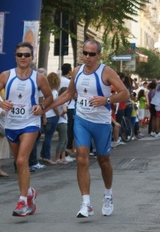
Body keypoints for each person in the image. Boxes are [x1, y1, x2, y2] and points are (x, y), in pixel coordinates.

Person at [45, 39, 129, 218]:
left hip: (101, 122)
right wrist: (46, 108)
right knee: (81, 159)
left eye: (92, 54)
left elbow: (125, 93)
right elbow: (68, 94)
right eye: (85, 53)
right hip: (82, 120)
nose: (87, 57)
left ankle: (108, 195)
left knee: (103, 161)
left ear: (98, 55)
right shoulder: (77, 71)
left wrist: (105, 100)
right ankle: (86, 203)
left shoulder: (106, 72)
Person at [0, 41, 53, 217]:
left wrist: (41, 107)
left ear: (32, 58)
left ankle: (23, 201)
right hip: (11, 123)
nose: (23, 58)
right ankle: (29, 192)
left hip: (30, 122)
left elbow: (49, 97)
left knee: (22, 161)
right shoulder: (5, 75)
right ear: (15, 57)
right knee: (19, 163)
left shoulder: (38, 78)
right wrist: (2, 103)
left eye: (26, 55)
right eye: (20, 55)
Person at [40, 72, 60, 164]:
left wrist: (43, 116)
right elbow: (54, 105)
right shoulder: (54, 92)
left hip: (45, 115)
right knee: (49, 137)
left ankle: (43, 154)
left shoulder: (44, 91)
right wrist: (58, 114)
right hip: (52, 116)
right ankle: (46, 156)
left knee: (45, 137)